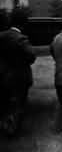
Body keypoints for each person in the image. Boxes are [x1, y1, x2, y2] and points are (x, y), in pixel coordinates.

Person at [0, 8, 35, 136]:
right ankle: (13, 132)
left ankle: (4, 127)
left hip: (3, 76)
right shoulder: (21, 39)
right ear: (23, 24)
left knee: (4, 104)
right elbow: (31, 56)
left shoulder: (1, 36)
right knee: (18, 106)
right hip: (19, 78)